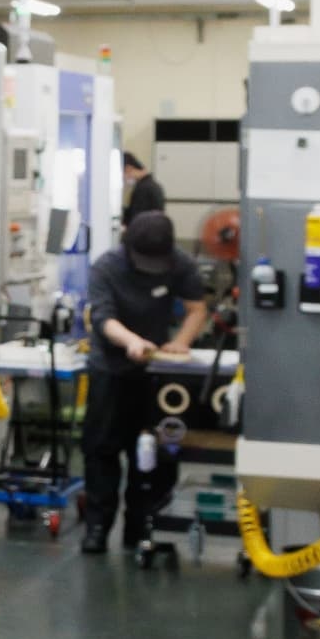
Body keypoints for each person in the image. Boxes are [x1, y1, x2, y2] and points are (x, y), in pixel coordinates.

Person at [80, 210, 206, 554]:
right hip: (111, 369)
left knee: (158, 452)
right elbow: (102, 318)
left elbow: (196, 308)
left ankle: (144, 527)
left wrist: (181, 342)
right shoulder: (107, 267)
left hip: (156, 373)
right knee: (102, 450)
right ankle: (97, 528)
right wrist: (131, 342)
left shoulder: (180, 263)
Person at [121, 151, 165, 226]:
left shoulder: (143, 189)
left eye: (123, 175)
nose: (124, 179)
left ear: (128, 168)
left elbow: (137, 219)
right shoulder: (152, 185)